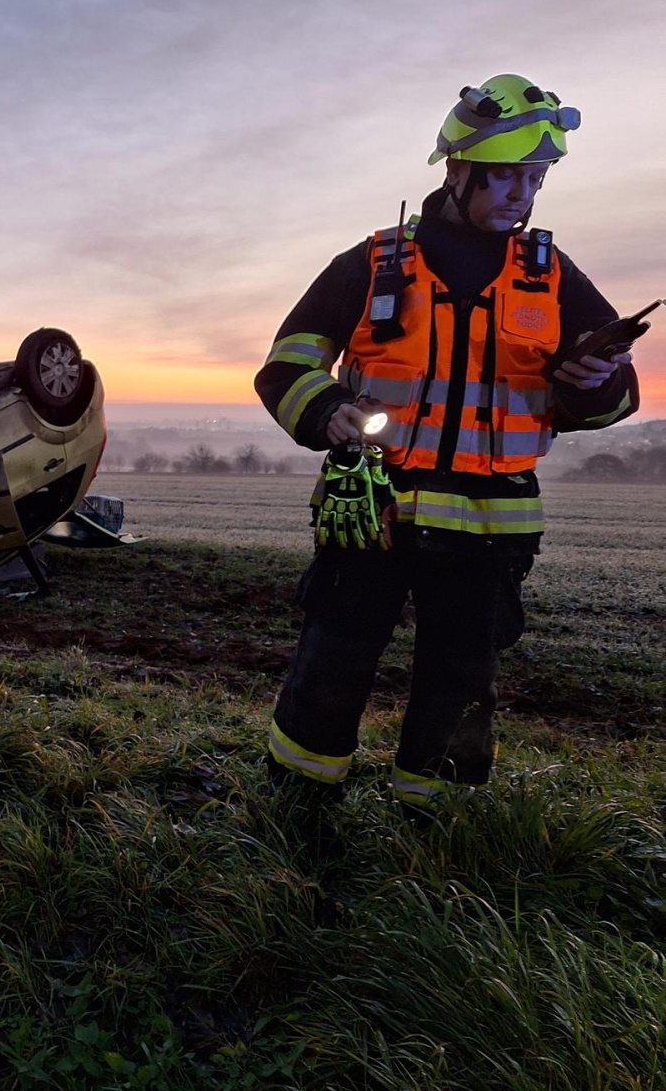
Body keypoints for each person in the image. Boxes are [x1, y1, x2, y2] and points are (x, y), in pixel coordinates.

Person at [254, 73, 641, 821]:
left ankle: (438, 817)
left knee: (462, 679)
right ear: (456, 170)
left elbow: (614, 402)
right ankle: (299, 807)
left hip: (491, 527)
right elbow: (285, 366)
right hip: (370, 510)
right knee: (333, 657)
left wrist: (593, 380)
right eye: (506, 176)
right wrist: (326, 407)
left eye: (535, 179)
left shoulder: (552, 276)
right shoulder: (371, 264)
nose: (522, 195)